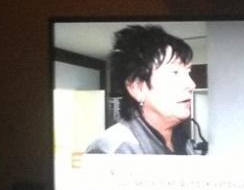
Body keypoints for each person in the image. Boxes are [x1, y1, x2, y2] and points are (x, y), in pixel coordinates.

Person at [84, 23, 201, 154]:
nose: (191, 84)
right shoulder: (115, 151)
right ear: (137, 87)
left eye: (188, 72)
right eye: (175, 73)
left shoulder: (181, 138)